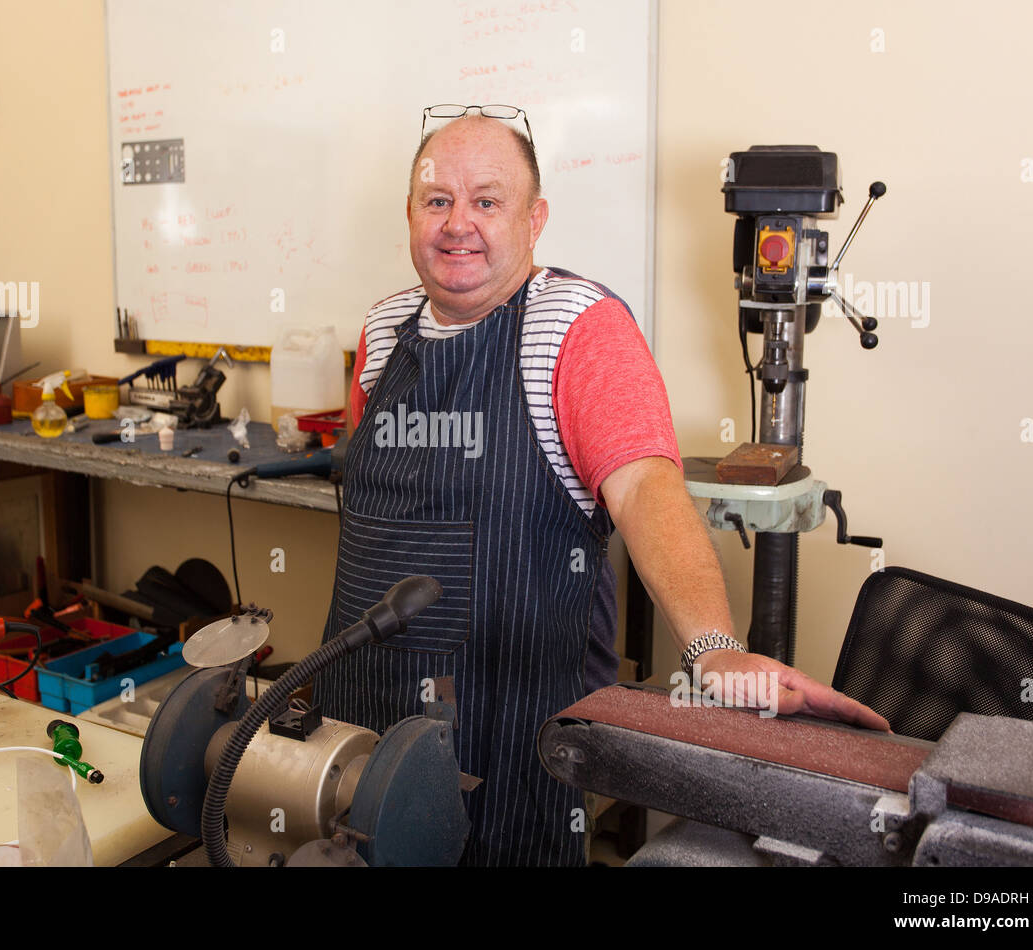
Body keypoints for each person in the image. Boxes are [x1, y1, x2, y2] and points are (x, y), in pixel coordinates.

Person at [312, 107, 888, 867]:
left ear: (534, 217)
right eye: (437, 200)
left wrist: (713, 650)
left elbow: (647, 488)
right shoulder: (384, 328)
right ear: (411, 214)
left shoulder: (579, 326)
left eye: (487, 200)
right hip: (353, 719)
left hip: (506, 736)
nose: (459, 224)